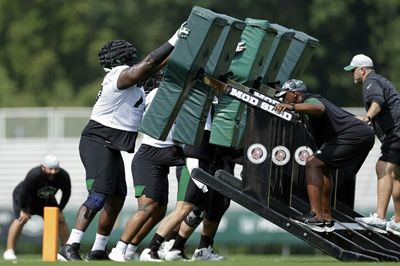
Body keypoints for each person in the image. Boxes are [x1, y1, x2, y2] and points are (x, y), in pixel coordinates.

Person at [57, 24, 190, 261]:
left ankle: (98, 249)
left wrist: (185, 48)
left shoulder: (133, 80)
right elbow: (149, 63)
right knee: (98, 194)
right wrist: (174, 38)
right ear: (120, 58)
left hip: (112, 144)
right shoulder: (117, 76)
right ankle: (70, 245)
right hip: (98, 140)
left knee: (117, 196)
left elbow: (157, 66)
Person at [274, 79, 375, 233]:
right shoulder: (305, 108)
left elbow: (318, 108)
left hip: (354, 136)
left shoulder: (311, 99)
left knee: (312, 163)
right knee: (323, 168)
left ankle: (316, 216)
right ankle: (326, 218)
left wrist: (292, 106)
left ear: (294, 94)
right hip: (360, 135)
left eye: (284, 96)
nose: (282, 100)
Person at [107, 71, 186, 262]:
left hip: (167, 153)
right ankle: (119, 248)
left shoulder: (166, 94)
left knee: (160, 209)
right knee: (146, 207)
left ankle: (132, 249)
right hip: (150, 155)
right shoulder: (157, 93)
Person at [344, 54, 400, 235]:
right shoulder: (379, 80)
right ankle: (398, 221)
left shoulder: (371, 82)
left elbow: (378, 101)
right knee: (396, 176)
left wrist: (368, 116)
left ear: (362, 70)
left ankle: (380, 218)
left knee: (382, 168)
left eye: (353, 70)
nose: (352, 74)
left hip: (396, 132)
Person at [3, 154, 71, 261]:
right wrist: (24, 210)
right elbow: (24, 193)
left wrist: (60, 210)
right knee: (21, 220)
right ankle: (9, 250)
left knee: (60, 220)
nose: (53, 172)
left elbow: (66, 193)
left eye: (56, 169)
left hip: (46, 198)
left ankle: (67, 250)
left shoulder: (63, 176)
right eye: (51, 169)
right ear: (43, 167)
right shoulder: (34, 174)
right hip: (26, 199)